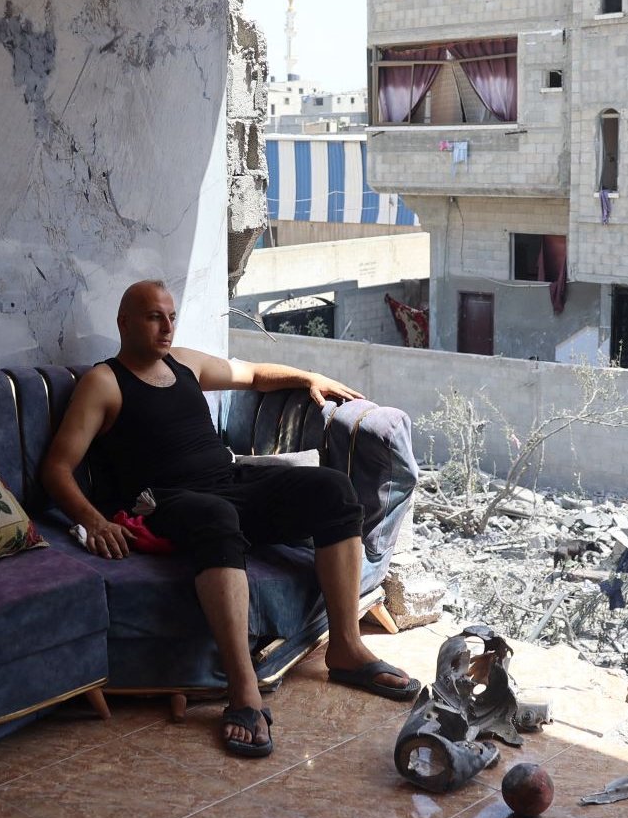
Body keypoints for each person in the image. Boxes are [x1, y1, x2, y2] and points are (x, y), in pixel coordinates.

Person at [39, 279, 420, 757]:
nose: (167, 326)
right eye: (154, 317)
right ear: (124, 323)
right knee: (216, 517)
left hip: (230, 483)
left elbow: (253, 374)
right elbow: (57, 467)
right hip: (166, 502)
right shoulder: (105, 382)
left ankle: (344, 647)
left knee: (332, 489)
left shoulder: (186, 364)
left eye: (171, 316)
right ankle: (243, 688)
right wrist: (94, 521)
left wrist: (307, 379)